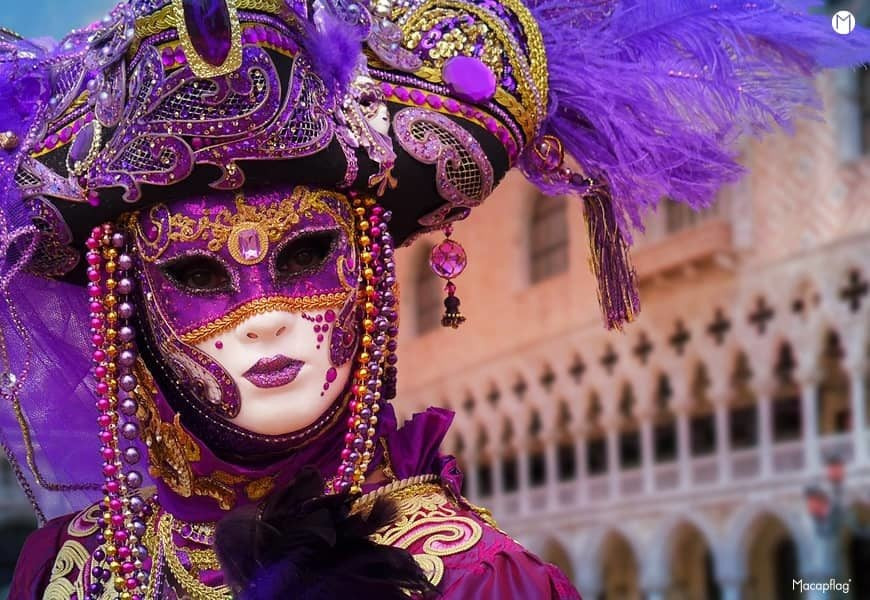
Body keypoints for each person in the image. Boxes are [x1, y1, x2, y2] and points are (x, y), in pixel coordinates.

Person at [0, 1, 867, 598]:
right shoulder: (62, 570)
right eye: (196, 276)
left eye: (307, 257)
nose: (264, 314)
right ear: (130, 301)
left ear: (371, 268)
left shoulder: (476, 578)